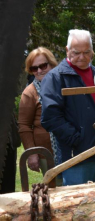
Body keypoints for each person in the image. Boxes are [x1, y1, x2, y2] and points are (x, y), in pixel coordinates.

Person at [41, 29, 95, 186]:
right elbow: (50, 117)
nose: (82, 57)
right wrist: (77, 139)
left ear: (92, 52)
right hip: (75, 157)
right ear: (67, 50)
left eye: (86, 52)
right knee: (78, 205)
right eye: (76, 53)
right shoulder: (55, 78)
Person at [18, 47, 59, 179]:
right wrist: (32, 153)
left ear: (52, 64)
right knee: (55, 192)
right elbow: (24, 126)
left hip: (70, 149)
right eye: (34, 68)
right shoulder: (29, 93)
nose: (39, 71)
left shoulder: (62, 85)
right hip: (47, 154)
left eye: (43, 66)